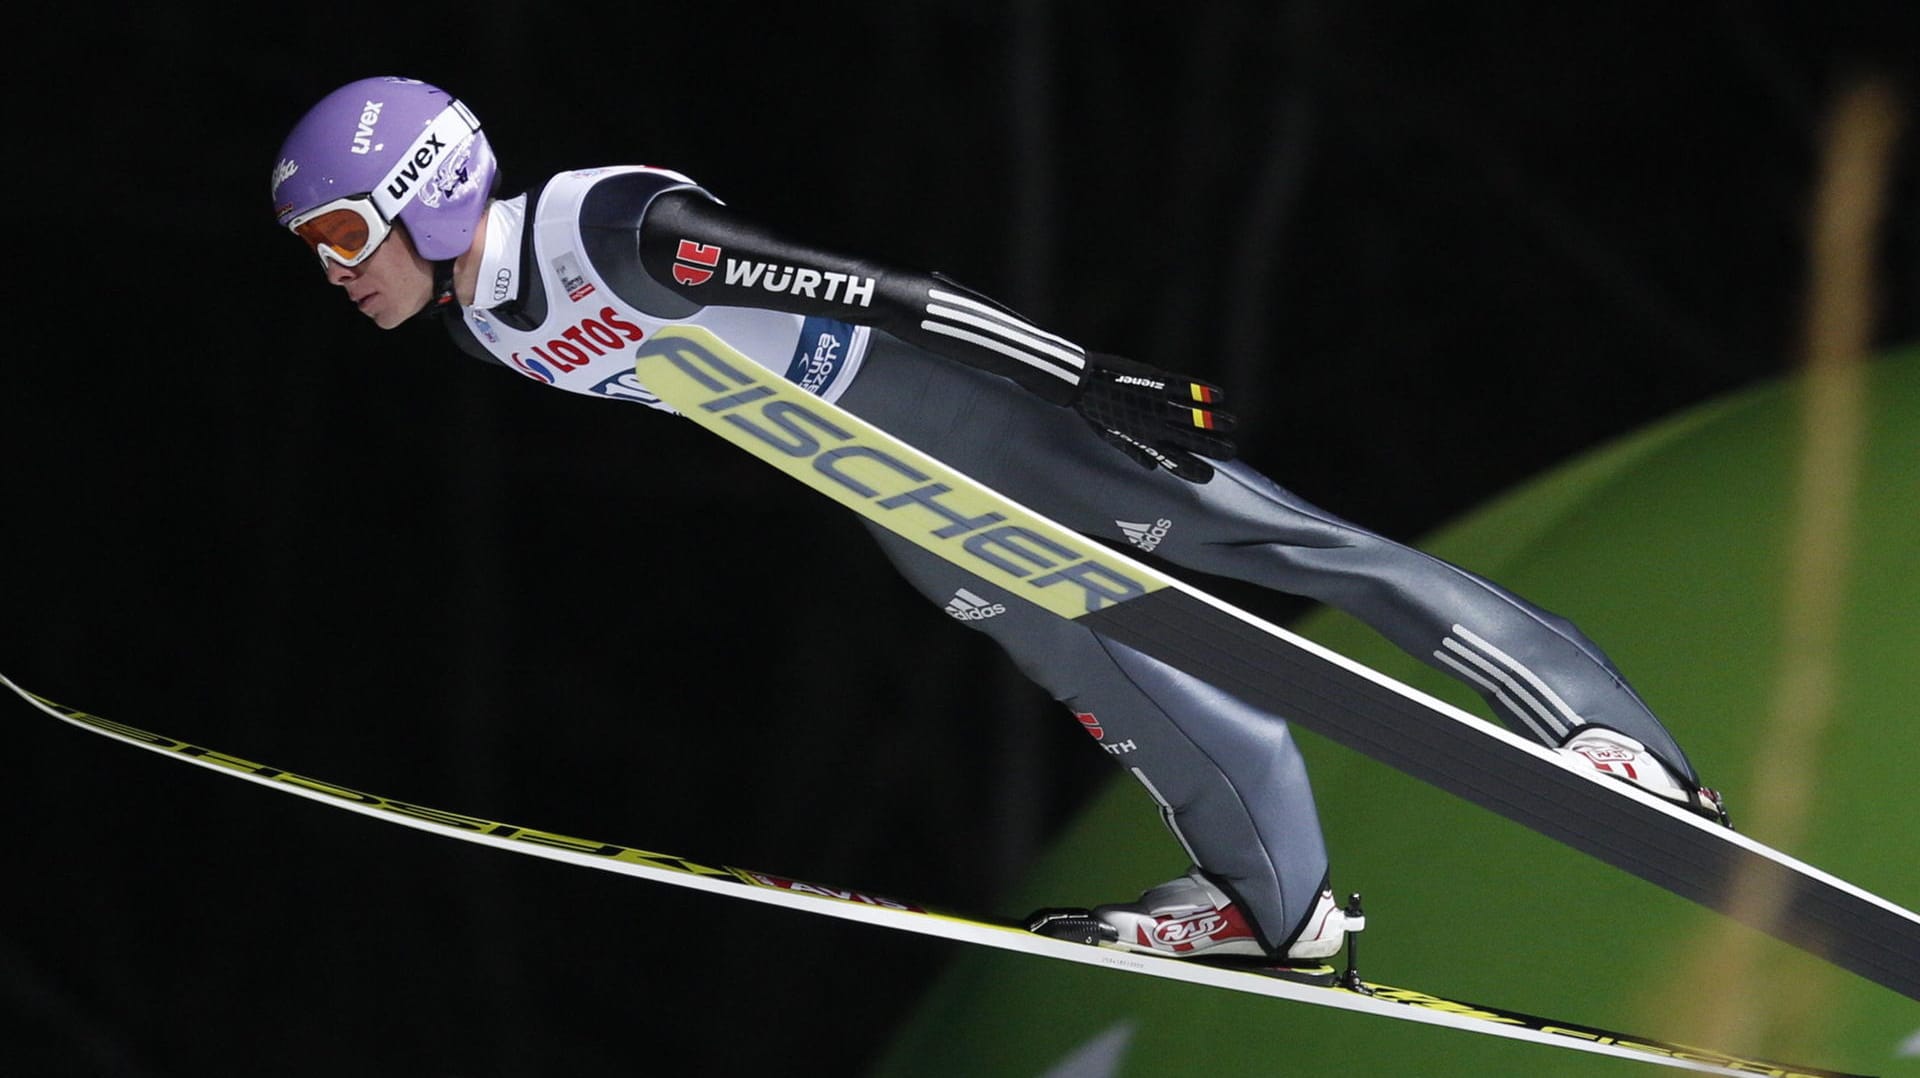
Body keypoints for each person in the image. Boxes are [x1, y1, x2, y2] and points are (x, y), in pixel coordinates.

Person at [270, 76, 1728, 967]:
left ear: (429, 197)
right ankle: (1277, 910)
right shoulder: (486, 336)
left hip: (968, 417)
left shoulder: (608, 227)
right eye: (315, 250)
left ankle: (1606, 741)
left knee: (1286, 550)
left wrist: (1089, 380)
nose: (336, 273)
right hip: (877, 485)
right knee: (1104, 676)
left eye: (342, 235)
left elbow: (872, 292)